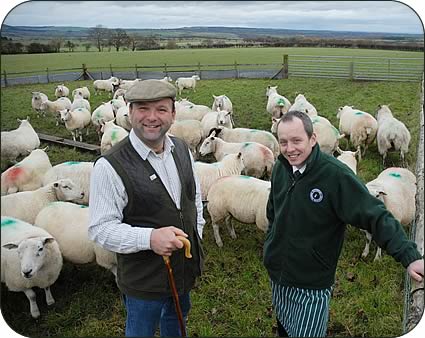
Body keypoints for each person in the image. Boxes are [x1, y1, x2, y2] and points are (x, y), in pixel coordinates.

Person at [263, 110, 424, 337]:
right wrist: (272, 241)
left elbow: (375, 214)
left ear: (312, 139)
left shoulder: (334, 176)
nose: (290, 149)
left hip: (312, 283)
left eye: (297, 141)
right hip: (278, 274)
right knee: (284, 327)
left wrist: (409, 256)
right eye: (284, 142)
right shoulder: (281, 168)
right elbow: (273, 209)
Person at [88, 79, 204, 337]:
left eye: (161, 109)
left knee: (177, 321)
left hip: (183, 271)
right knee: (142, 331)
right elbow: (100, 229)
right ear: (129, 112)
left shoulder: (182, 150)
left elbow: (193, 199)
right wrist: (149, 238)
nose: (152, 117)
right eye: (142, 108)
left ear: (173, 114)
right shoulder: (110, 166)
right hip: (144, 283)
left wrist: (196, 236)